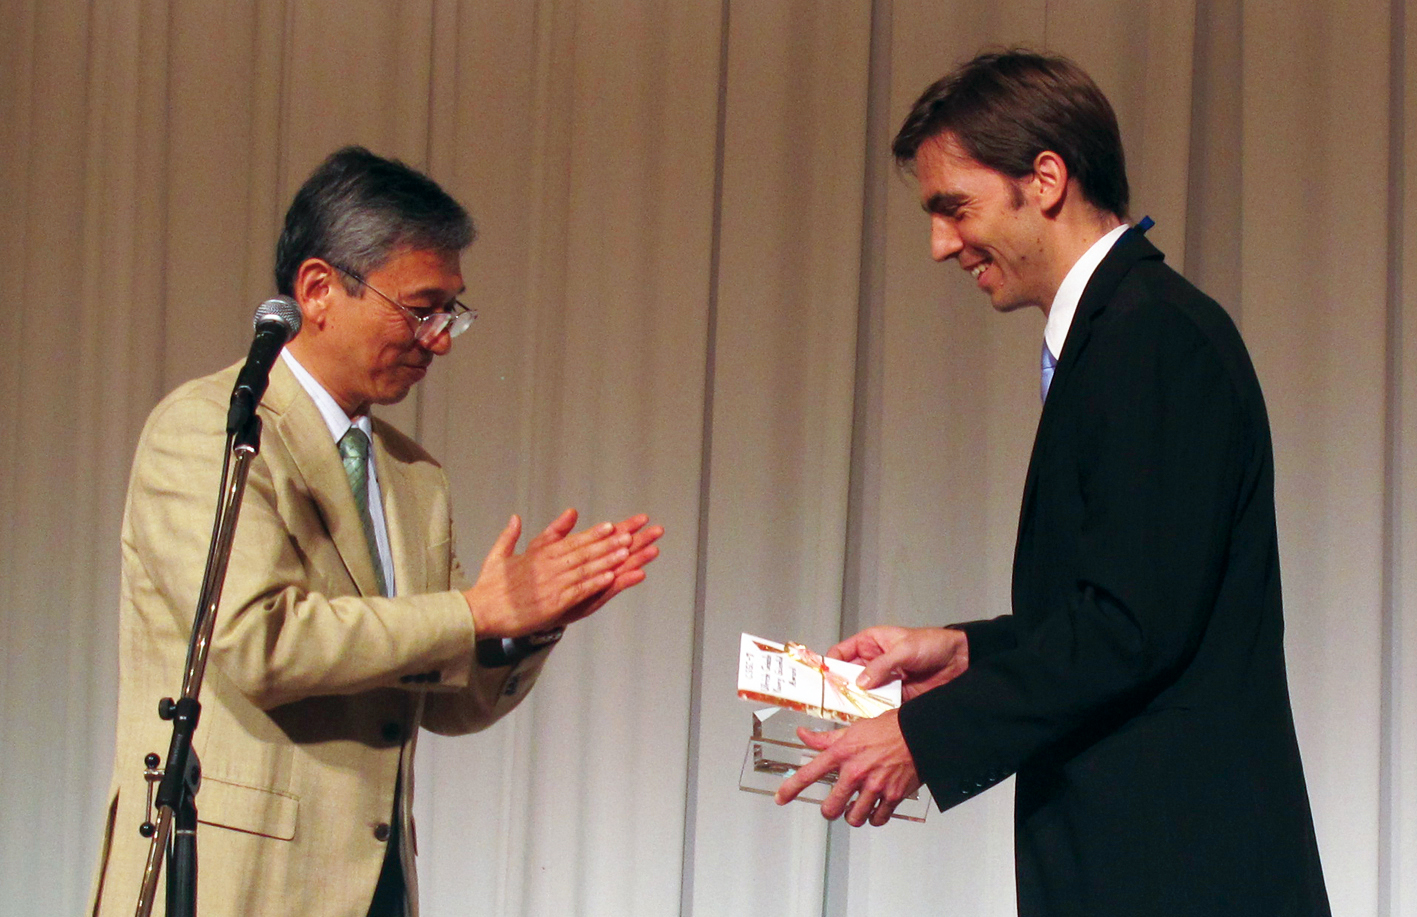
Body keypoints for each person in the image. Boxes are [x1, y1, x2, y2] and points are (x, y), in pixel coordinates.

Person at [776, 50, 1330, 916]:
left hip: (1179, 872)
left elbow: (1130, 629)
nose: (938, 245)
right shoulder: (1125, 331)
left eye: (952, 208)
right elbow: (1130, 599)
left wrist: (921, 737)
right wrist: (964, 651)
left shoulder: (1150, 338)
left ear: (1044, 178)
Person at [90, 147, 661, 917]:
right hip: (235, 879)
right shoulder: (213, 430)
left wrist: (523, 626)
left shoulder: (412, 477)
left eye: (451, 312)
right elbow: (261, 641)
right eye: (421, 309)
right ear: (319, 290)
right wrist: (476, 611)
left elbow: (443, 702)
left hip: (376, 887)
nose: (441, 339)